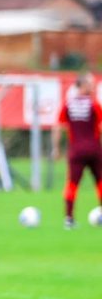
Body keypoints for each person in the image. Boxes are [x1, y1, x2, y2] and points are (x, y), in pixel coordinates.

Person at [51, 72, 102, 229]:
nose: (92, 87)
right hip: (94, 149)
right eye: (90, 84)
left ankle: (69, 219)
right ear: (82, 85)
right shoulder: (94, 104)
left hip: (76, 151)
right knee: (100, 182)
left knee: (72, 184)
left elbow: (58, 126)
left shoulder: (67, 104)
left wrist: (56, 148)